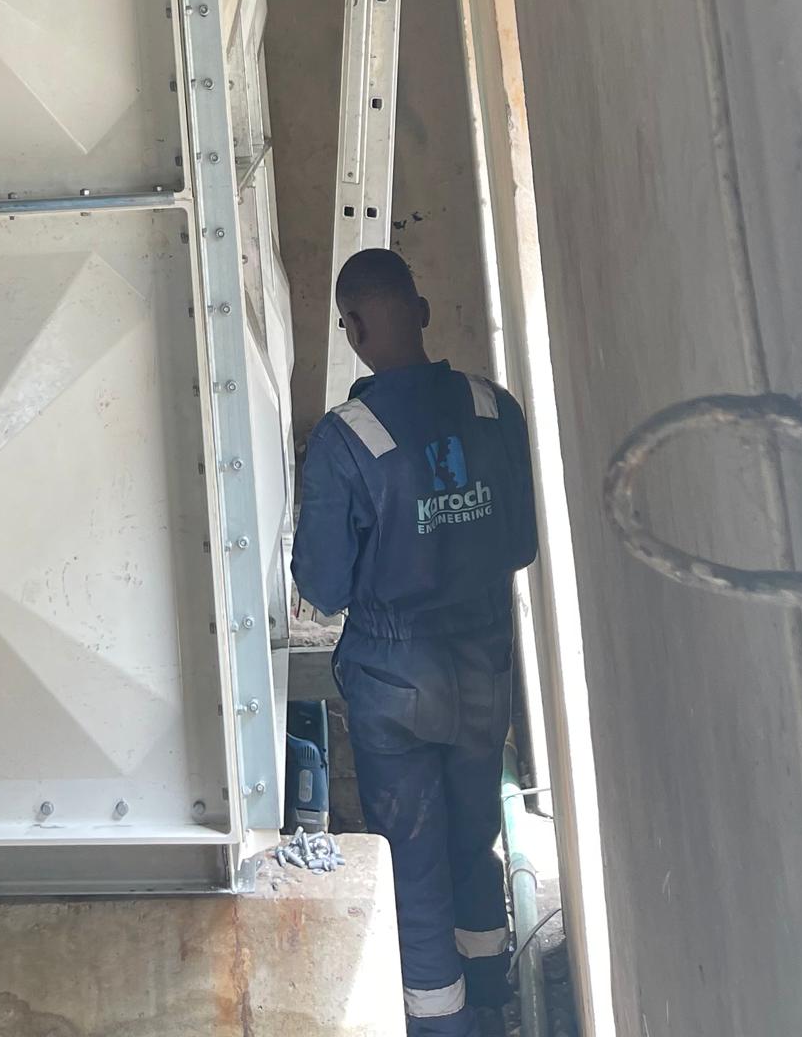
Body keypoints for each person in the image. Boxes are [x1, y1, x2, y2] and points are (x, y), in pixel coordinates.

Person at [293, 249, 538, 1037]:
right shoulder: (494, 408)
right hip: (483, 667)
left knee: (414, 862)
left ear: (353, 329)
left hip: (395, 681)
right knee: (475, 834)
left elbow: (324, 587)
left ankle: (442, 1024)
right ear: (424, 312)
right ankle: (494, 989)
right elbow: (522, 543)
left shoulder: (345, 440)